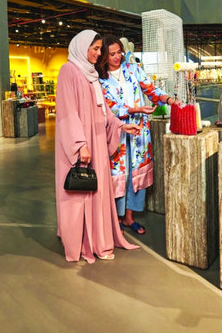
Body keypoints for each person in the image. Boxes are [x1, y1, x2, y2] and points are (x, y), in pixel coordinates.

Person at [55, 30, 142, 263]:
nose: (98, 53)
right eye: (95, 49)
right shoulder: (69, 71)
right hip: (83, 142)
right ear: (82, 47)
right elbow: (67, 112)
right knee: (79, 193)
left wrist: (121, 126)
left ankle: (99, 239)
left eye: (99, 49)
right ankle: (81, 240)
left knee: (98, 191)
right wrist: (80, 145)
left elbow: (103, 110)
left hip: (98, 142)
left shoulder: (92, 74)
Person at [96, 35, 181, 235]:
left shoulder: (132, 69)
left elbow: (150, 89)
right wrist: (135, 109)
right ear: (104, 56)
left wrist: (169, 100)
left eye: (119, 52)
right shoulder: (99, 79)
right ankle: (115, 218)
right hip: (116, 131)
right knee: (118, 175)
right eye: (112, 54)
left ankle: (129, 217)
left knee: (137, 173)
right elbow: (109, 107)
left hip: (139, 131)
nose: (117, 57)